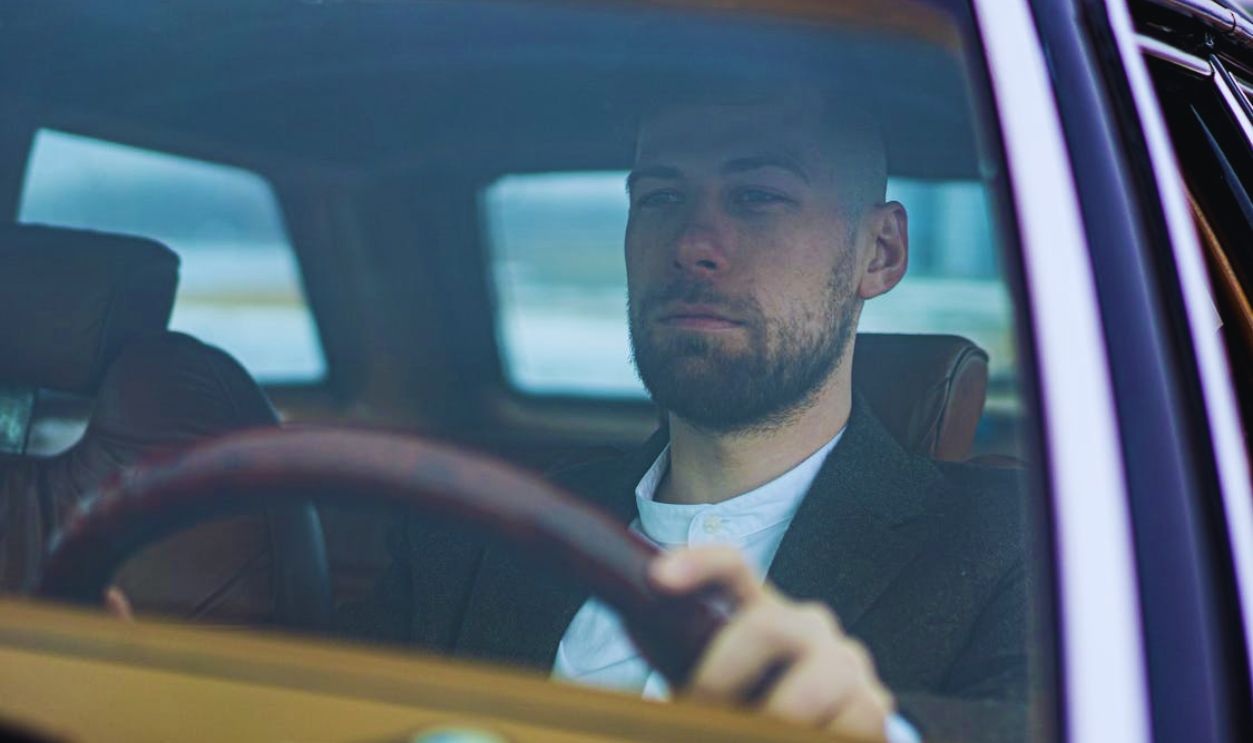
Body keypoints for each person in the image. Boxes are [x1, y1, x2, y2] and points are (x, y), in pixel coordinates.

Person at [342, 83, 1028, 743]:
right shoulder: (469, 535)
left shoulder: (1012, 541)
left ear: (879, 252)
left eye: (757, 196)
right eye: (661, 196)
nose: (692, 244)